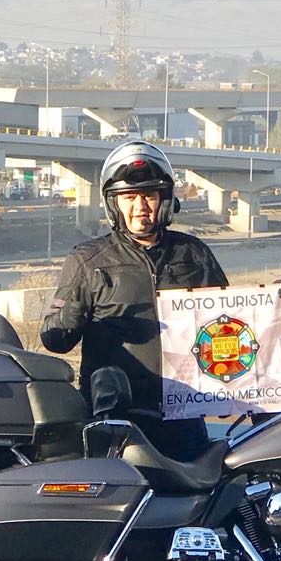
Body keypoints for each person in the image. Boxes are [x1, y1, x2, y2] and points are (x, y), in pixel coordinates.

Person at [41, 139, 229, 462]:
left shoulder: (194, 255)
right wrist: (69, 316)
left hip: (184, 422)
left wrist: (274, 304)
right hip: (114, 426)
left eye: (149, 195)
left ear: (164, 201)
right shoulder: (87, 261)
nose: (140, 205)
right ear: (114, 205)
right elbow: (53, 340)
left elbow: (231, 323)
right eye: (129, 197)